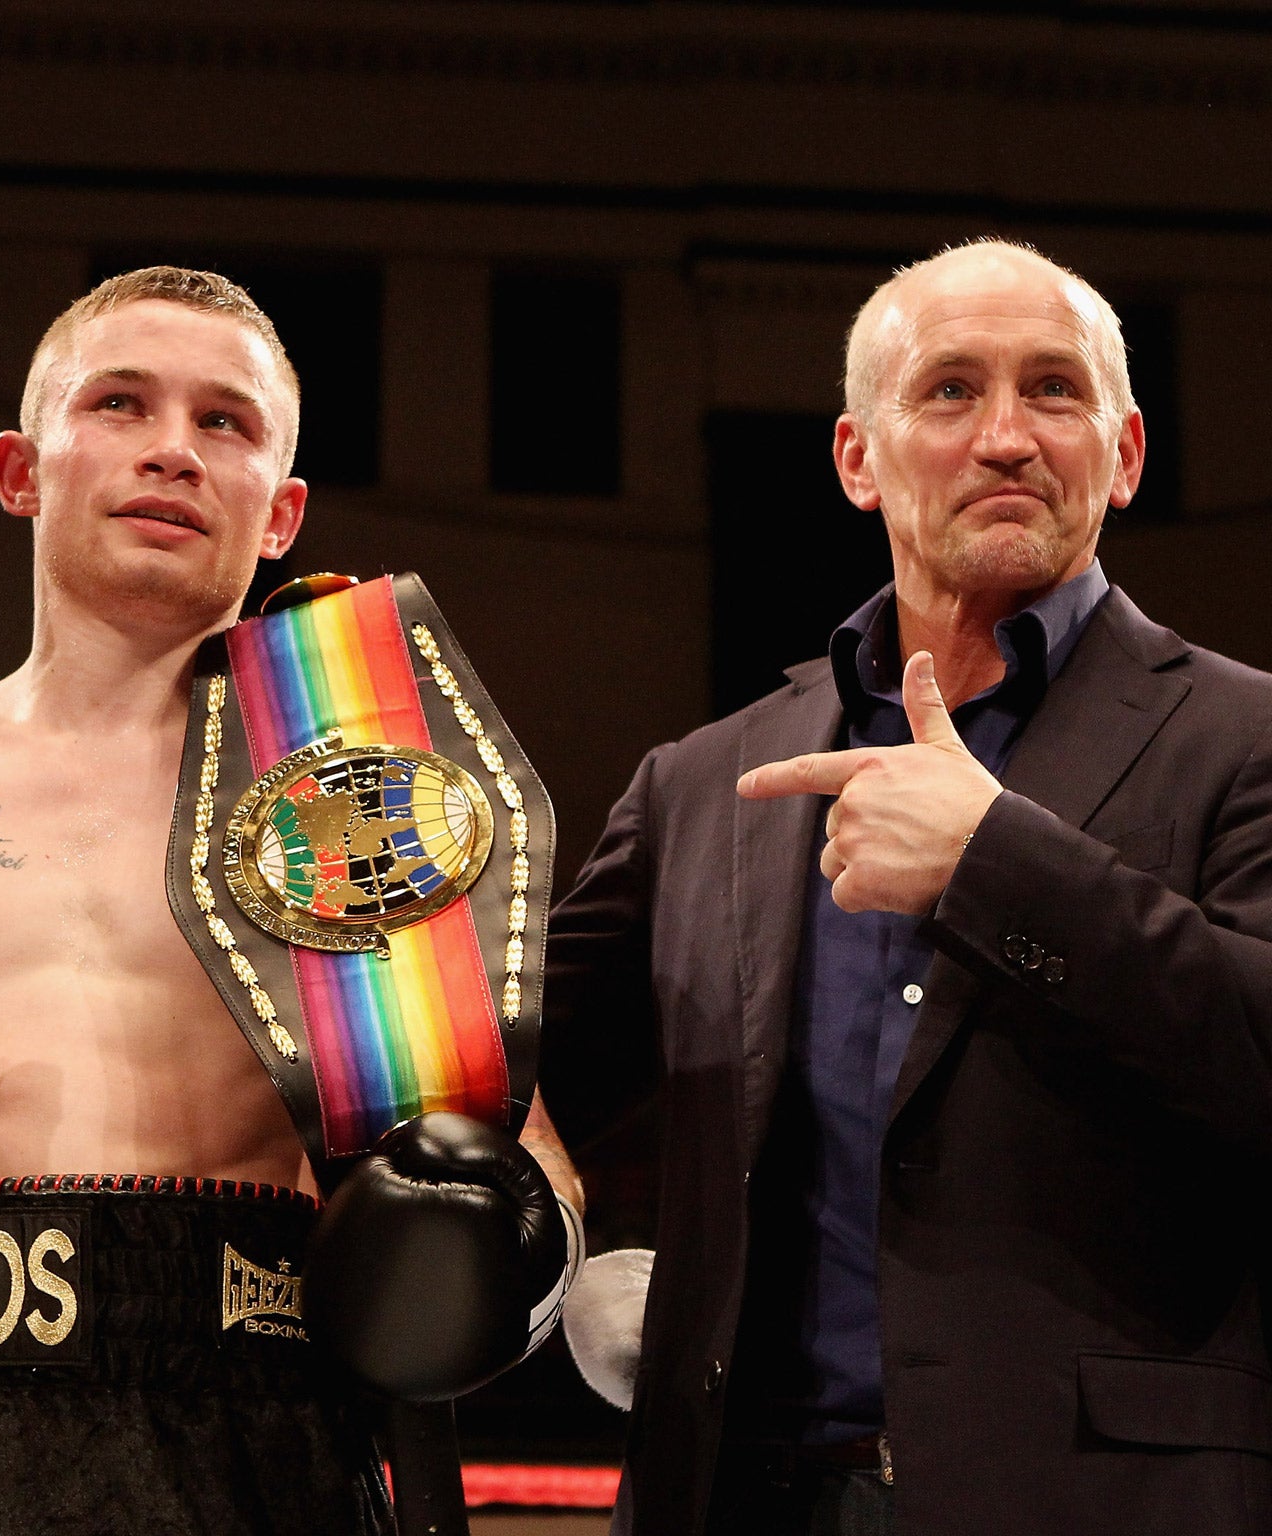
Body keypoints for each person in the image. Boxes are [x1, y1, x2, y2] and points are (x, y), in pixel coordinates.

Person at [0, 266, 583, 1536]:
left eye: (225, 422)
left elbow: (518, 1153)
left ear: (282, 511)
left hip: (254, 1417)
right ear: (19, 471)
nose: (172, 449)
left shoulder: (356, 789)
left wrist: (510, 1247)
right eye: (119, 403)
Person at [541, 239, 1272, 1536]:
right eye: (949, 392)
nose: (1006, 436)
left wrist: (1000, 865)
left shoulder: (1247, 739)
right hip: (742, 1501)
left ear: (1127, 453)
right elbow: (506, 1075)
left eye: (1054, 390)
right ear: (856, 459)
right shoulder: (704, 783)